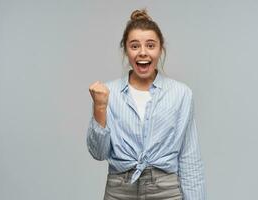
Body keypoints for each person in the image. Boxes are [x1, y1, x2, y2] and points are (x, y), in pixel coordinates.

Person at [87, 9, 205, 200]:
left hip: (166, 191)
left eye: (150, 45)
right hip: (119, 190)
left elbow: (189, 156)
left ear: (160, 49)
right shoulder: (108, 93)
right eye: (135, 46)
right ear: (126, 50)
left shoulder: (181, 93)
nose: (143, 52)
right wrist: (99, 107)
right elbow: (99, 153)